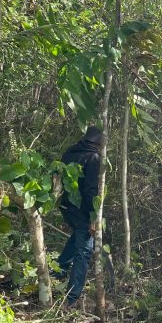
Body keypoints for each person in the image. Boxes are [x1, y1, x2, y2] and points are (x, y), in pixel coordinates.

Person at [57, 126, 103, 307]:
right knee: (84, 250)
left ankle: (56, 272)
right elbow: (90, 189)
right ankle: (72, 298)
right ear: (99, 142)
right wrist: (93, 217)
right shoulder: (93, 157)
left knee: (77, 236)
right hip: (81, 208)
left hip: (65, 205)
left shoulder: (70, 152)